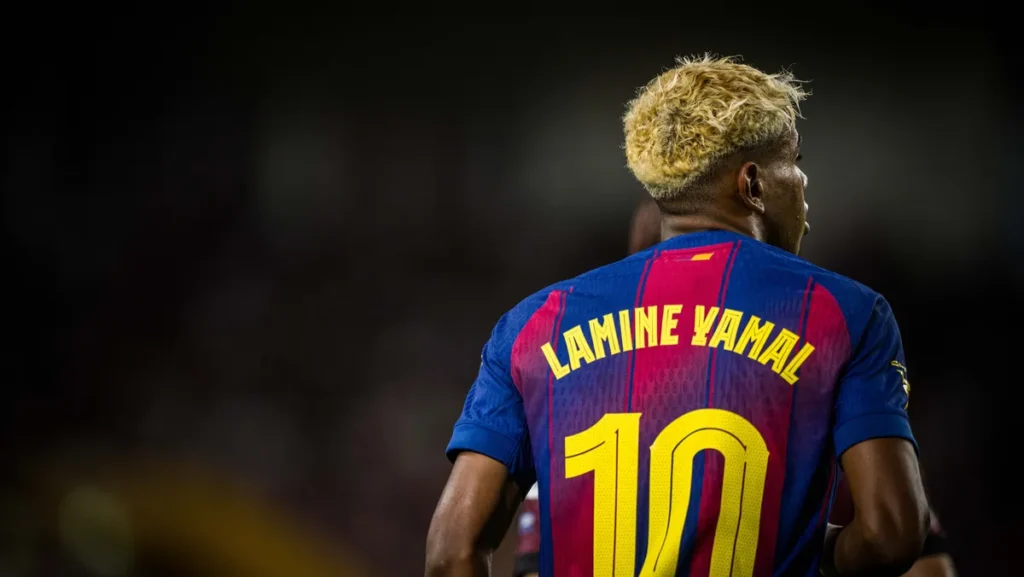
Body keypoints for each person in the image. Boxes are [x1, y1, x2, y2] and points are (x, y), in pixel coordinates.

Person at [426, 55, 929, 577]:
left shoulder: (533, 325)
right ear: (752, 184)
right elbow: (892, 533)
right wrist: (807, 551)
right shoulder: (844, 312)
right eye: (795, 161)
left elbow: (450, 553)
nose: (802, 183)